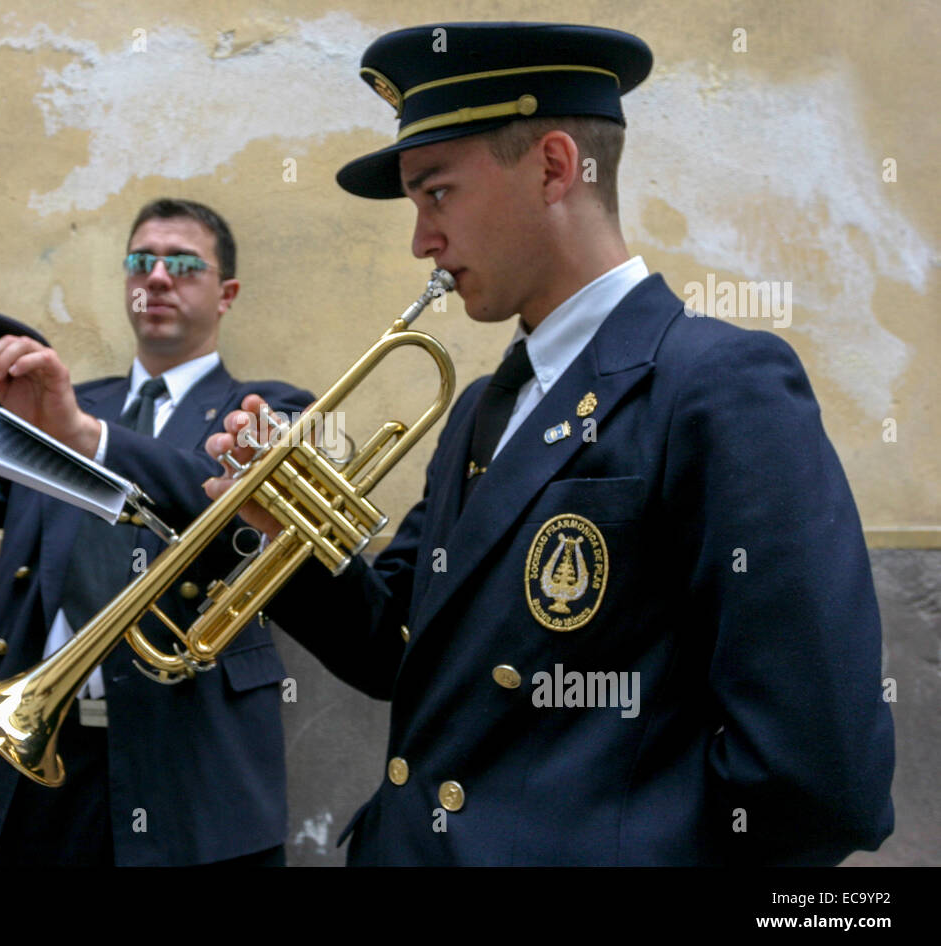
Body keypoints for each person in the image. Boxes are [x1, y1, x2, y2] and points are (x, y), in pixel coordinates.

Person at [201, 23, 895, 865]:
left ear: (555, 169)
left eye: (437, 193)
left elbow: (823, 782)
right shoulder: (484, 406)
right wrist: (292, 540)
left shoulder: (718, 384)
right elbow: (403, 651)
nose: (421, 239)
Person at [0, 198, 313, 865]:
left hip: (194, 763)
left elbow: (233, 513)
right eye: (141, 261)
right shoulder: (61, 404)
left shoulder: (270, 409)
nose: (157, 277)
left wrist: (84, 438)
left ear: (227, 294)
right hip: (42, 762)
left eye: (184, 264)